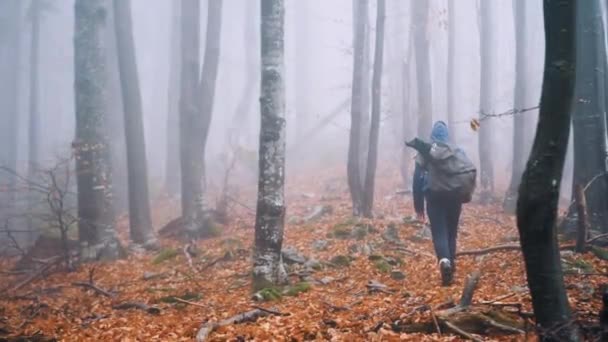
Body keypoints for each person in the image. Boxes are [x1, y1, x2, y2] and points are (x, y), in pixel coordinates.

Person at [409, 121, 469, 286]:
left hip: (434, 197)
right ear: (447, 135)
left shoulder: (426, 152)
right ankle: (451, 264)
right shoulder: (457, 151)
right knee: (451, 232)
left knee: (439, 233)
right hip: (454, 197)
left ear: (432, 135)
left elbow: (417, 179)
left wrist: (418, 205)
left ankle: (444, 261)